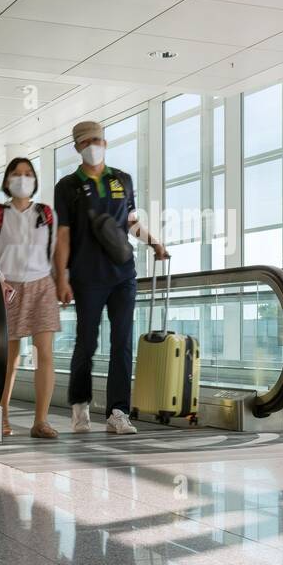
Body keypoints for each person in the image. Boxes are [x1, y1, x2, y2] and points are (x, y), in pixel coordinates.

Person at [53, 121, 168, 435]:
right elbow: (62, 235)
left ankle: (119, 412)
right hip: (86, 276)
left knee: (122, 343)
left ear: (105, 143)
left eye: (98, 140)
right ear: (77, 146)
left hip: (122, 274)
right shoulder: (67, 186)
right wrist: (61, 277)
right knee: (87, 343)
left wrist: (154, 241)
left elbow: (131, 221)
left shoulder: (123, 179)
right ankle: (80, 408)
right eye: (88, 141)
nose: (94, 145)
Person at [0, 157, 60, 439]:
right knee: (8, 357)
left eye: (28, 174)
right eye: (16, 173)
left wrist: (62, 282)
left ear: (35, 180)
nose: (22, 178)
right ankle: (1, 417)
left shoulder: (46, 213)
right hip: (7, 286)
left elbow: (54, 251)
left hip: (42, 285)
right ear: (7, 180)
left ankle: (41, 421)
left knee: (44, 354)